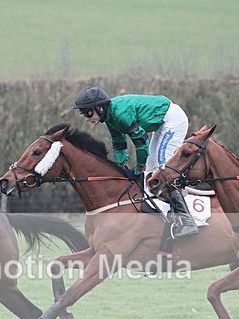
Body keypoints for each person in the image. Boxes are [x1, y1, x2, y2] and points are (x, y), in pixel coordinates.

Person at [73, 86, 196, 266]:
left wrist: (138, 169)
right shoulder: (110, 118)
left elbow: (141, 142)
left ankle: (186, 220)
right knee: (152, 169)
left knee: (162, 169)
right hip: (161, 124)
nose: (86, 117)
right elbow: (119, 143)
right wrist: (121, 166)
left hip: (172, 120)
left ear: (100, 107)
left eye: (88, 112)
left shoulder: (121, 114)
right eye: (84, 113)